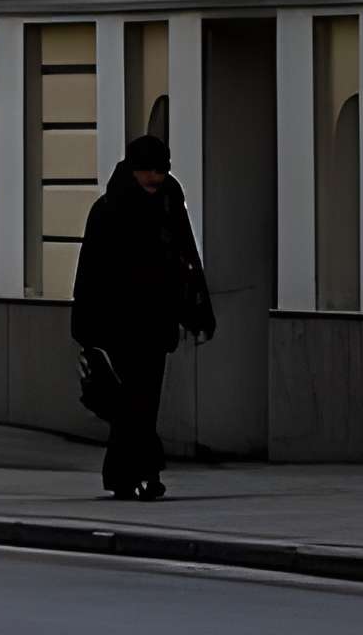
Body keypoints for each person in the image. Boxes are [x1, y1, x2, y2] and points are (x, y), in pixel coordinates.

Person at [70, 133, 213, 500]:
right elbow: (90, 271)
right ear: (133, 170)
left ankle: (124, 476)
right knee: (134, 401)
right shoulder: (109, 210)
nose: (156, 178)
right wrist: (85, 329)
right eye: (149, 171)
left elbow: (186, 259)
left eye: (161, 170)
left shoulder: (169, 206)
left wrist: (196, 311)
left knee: (143, 403)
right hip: (118, 322)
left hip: (156, 320)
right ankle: (145, 473)